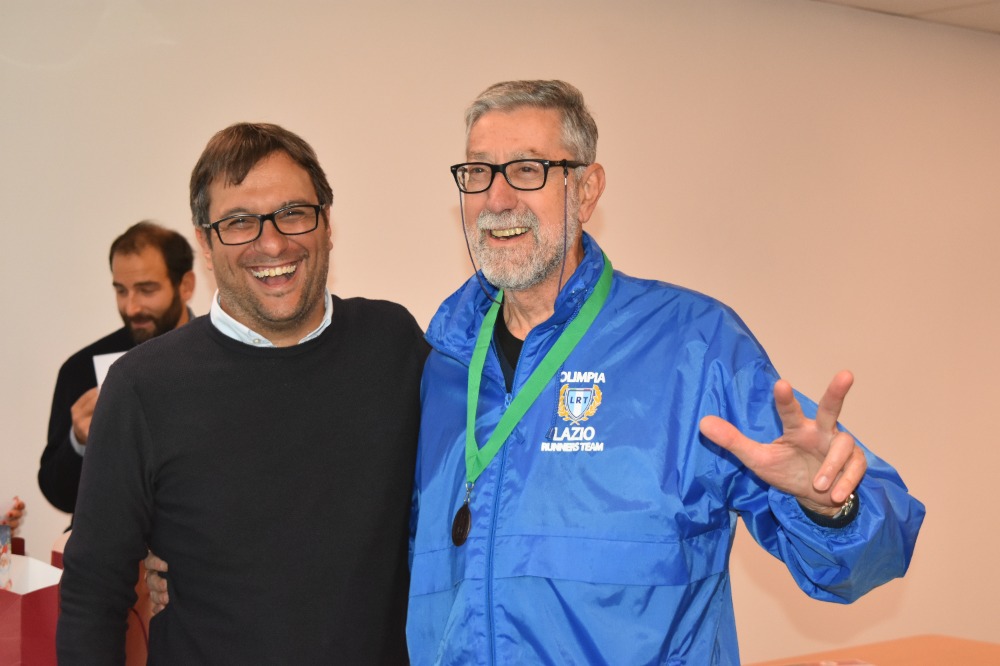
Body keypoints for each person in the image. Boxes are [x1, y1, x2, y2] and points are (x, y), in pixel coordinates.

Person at [405, 80, 925, 664]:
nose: (497, 198)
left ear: (587, 189)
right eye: (478, 172)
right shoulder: (441, 366)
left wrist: (832, 508)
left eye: (527, 170)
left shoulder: (692, 346)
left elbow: (871, 557)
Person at [57, 123, 426, 663]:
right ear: (205, 244)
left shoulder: (392, 343)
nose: (271, 243)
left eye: (293, 212)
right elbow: (93, 594)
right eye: (238, 222)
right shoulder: (143, 386)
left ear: (327, 223)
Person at [38, 221, 196, 518]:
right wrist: (79, 442)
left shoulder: (223, 358)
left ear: (185, 285)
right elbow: (58, 494)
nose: (131, 307)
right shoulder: (81, 369)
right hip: (116, 540)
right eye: (121, 291)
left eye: (146, 290)